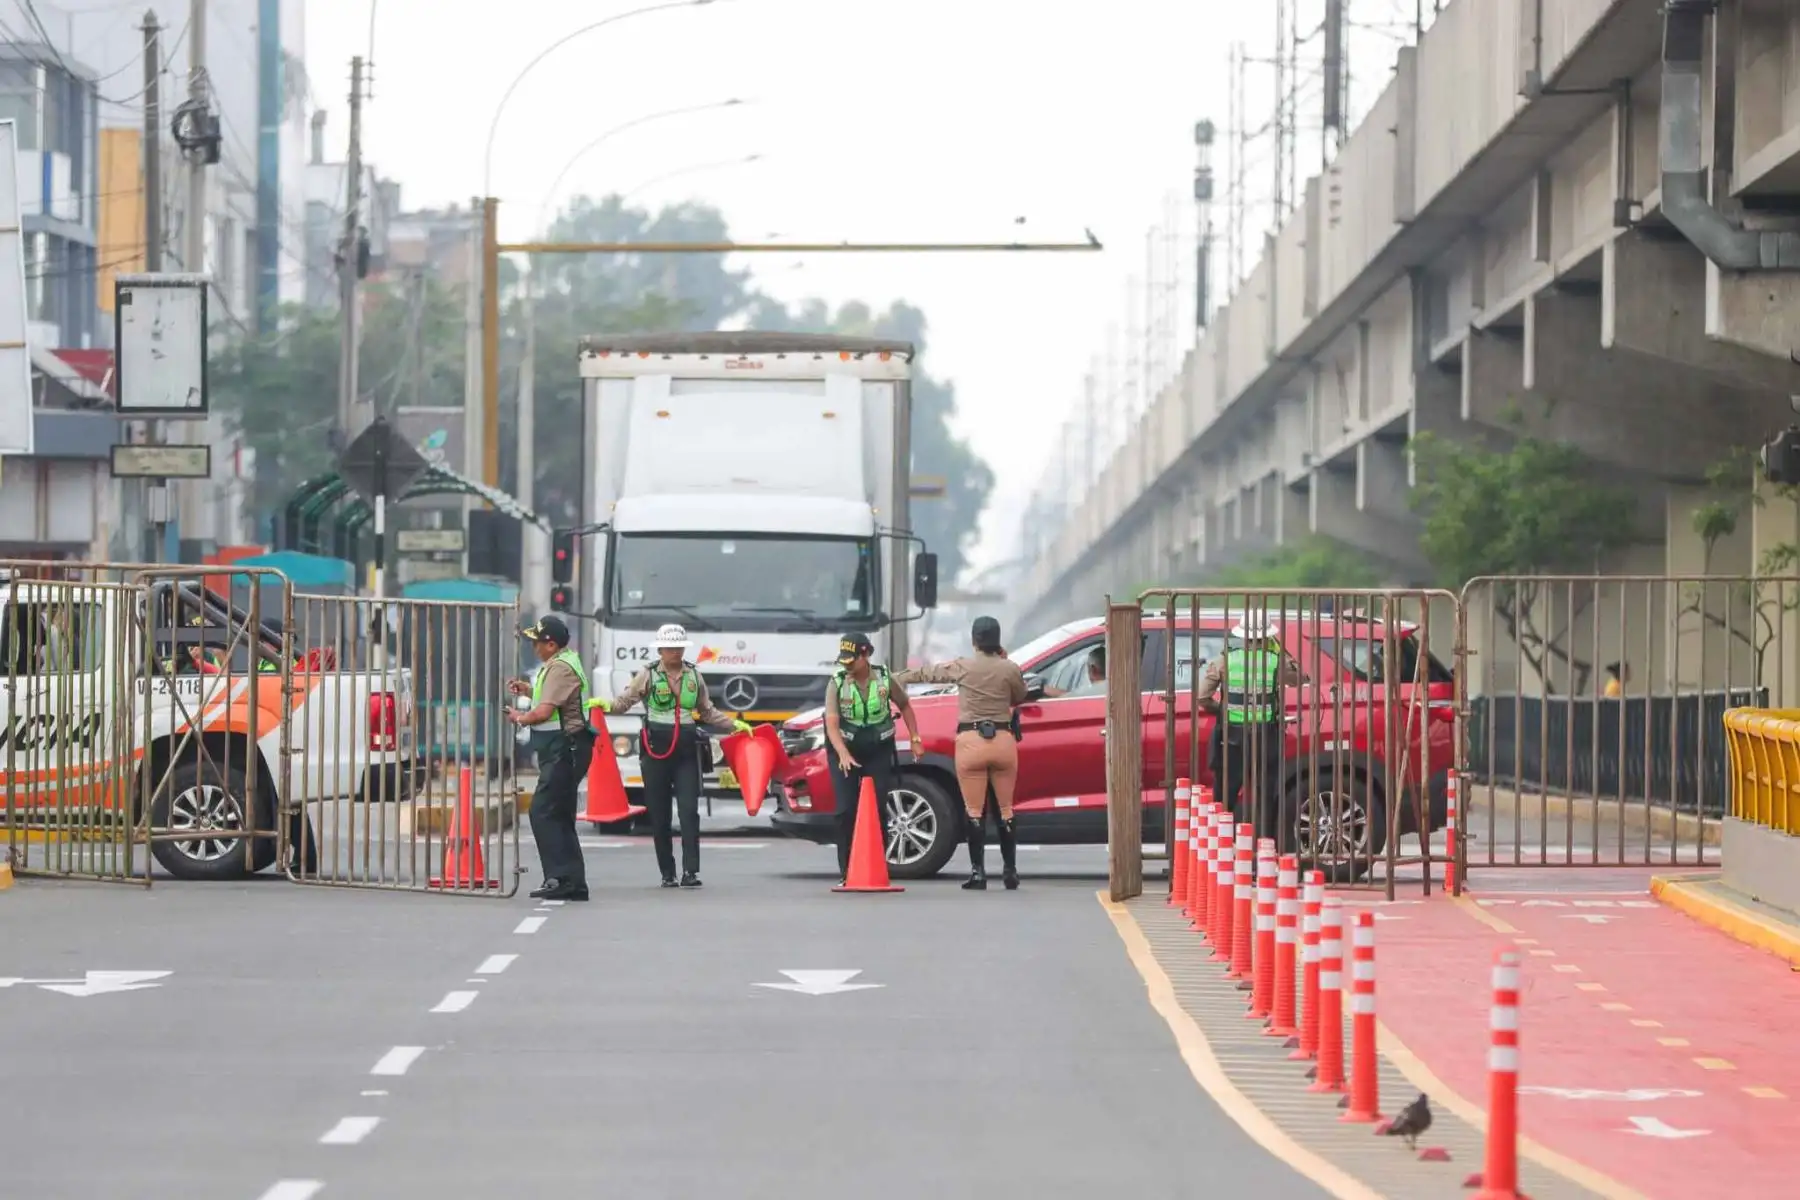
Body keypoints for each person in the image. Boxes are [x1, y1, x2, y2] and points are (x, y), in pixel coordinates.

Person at [593, 623, 749, 888]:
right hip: (656, 750)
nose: (675, 652)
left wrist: (734, 725)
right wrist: (604, 705)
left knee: (689, 812)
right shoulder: (648, 674)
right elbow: (625, 701)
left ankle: (691, 872)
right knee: (660, 815)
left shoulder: (694, 675)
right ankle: (667, 872)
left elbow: (707, 711)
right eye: (670, 647)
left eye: (679, 647)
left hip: (686, 751)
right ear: (660, 650)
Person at [896, 615, 1028, 890]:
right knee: (1005, 809)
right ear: (998, 640)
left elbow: (927, 674)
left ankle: (978, 873)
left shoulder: (962, 666)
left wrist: (896, 678)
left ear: (974, 640)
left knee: (974, 810)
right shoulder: (1009, 668)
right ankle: (1010, 871)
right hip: (1003, 741)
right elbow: (1019, 696)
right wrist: (1004, 662)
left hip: (971, 742)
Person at [505, 616, 594, 901]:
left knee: (543, 811)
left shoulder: (560, 667)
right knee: (559, 814)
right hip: (566, 747)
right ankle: (572, 882)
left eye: (538, 643)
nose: (534, 648)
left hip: (564, 748)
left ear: (551, 645)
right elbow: (555, 698)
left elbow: (543, 712)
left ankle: (560, 878)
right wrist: (528, 690)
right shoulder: (562, 662)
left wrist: (519, 717)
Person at [824, 631, 922, 886]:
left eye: (852, 660)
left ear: (865, 654)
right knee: (845, 810)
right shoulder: (837, 682)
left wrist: (915, 738)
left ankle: (877, 866)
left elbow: (905, 706)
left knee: (877, 807)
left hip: (878, 749)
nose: (847, 666)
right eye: (844, 661)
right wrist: (843, 754)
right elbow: (832, 724)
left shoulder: (885, 678)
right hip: (845, 749)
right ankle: (847, 871)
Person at [1195, 617, 1307, 839]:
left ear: (1242, 636)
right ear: (1267, 636)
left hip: (1232, 738)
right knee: (1265, 796)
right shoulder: (1276, 661)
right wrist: (1280, 650)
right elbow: (1301, 678)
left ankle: (1222, 845)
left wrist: (1224, 711)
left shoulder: (1226, 660)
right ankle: (1264, 845)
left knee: (1225, 796)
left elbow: (1202, 697)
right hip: (1266, 737)